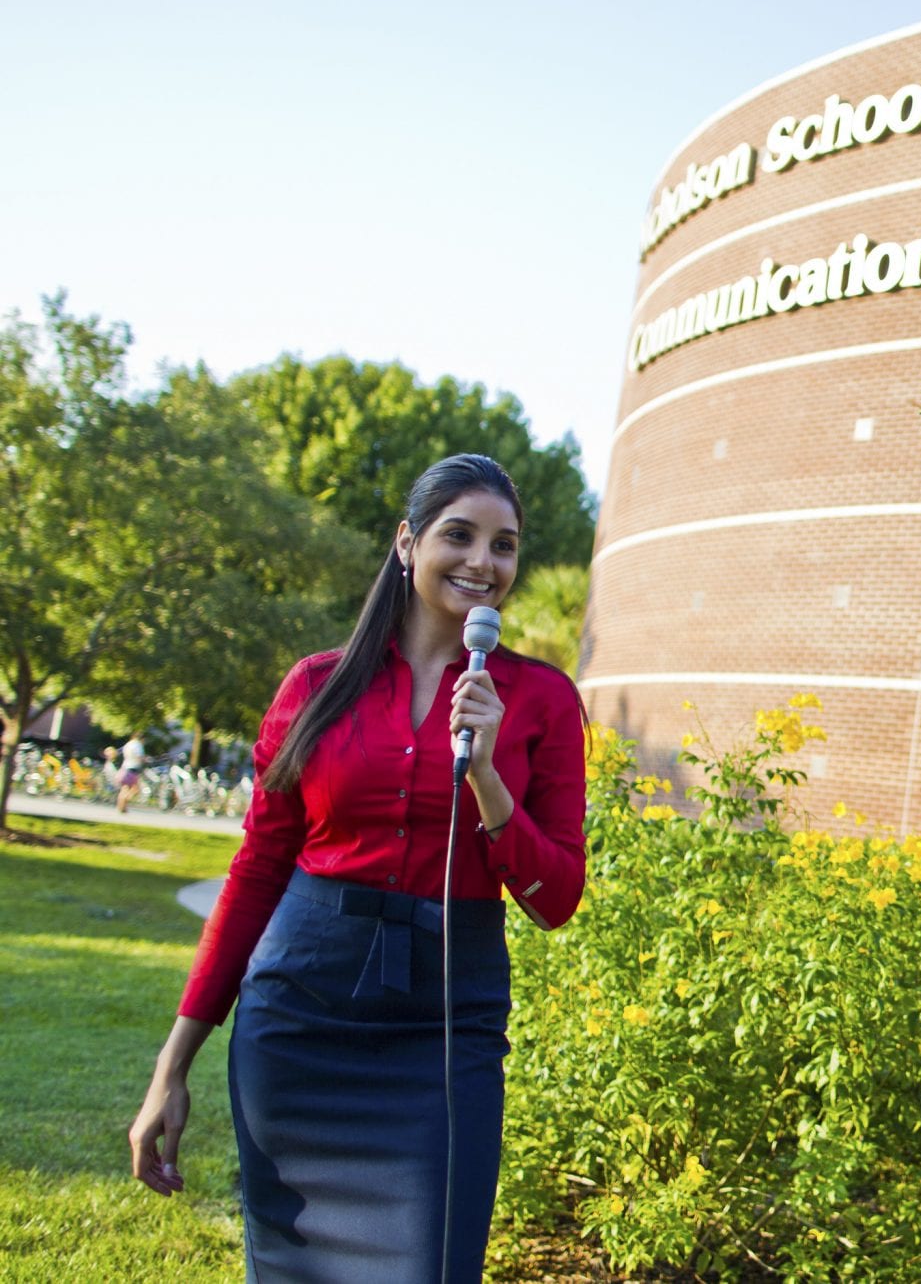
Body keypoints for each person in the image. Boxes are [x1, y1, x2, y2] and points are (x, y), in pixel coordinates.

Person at [128, 454, 588, 1282]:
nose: (484, 561)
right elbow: (258, 871)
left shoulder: (543, 701)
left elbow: (556, 898)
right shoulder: (316, 685)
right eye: (460, 534)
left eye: (505, 544)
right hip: (298, 1022)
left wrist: (486, 775)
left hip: (444, 1032)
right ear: (407, 543)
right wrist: (173, 1064)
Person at [115, 732, 147, 814]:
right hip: (133, 769)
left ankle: (121, 806)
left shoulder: (128, 744)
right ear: (142, 739)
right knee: (135, 789)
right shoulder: (138, 745)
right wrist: (145, 760)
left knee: (124, 789)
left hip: (124, 768)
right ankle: (124, 804)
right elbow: (139, 757)